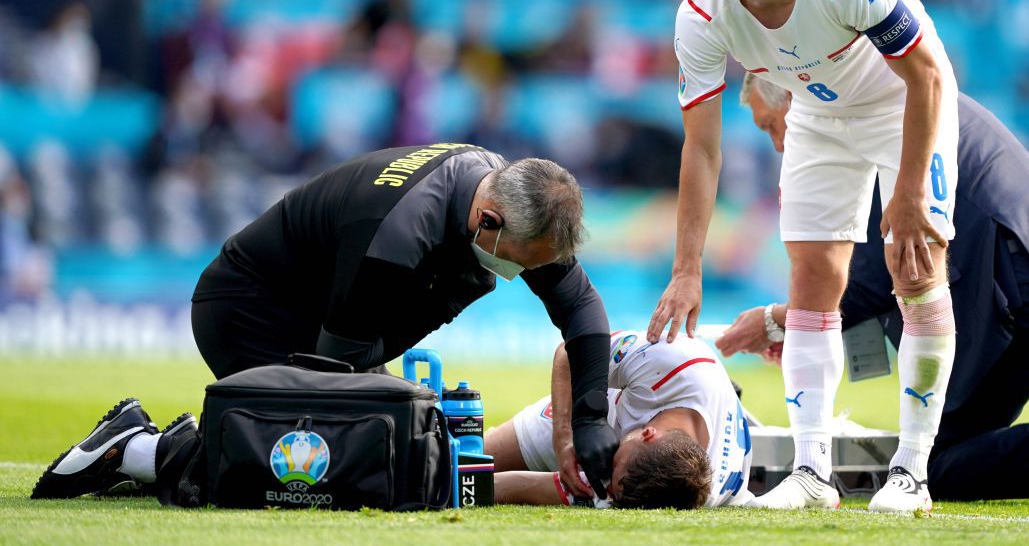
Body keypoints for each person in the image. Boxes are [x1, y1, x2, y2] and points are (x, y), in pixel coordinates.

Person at [32, 143, 619, 503]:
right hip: (250, 311)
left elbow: (581, 310)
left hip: (333, 319)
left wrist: (589, 419)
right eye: (520, 264)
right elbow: (334, 375)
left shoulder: (512, 201)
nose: (522, 275)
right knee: (317, 470)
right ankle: (136, 447)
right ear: (487, 223)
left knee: (370, 454)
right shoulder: (394, 236)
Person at [648, 0, 960, 513]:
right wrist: (686, 268)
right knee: (813, 279)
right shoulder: (701, 15)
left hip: (903, 104)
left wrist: (904, 194)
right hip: (815, 113)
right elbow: (703, 149)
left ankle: (912, 472)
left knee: (917, 270)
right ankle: (813, 474)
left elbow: (927, 76)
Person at [720, 74, 1029, 506]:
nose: (778, 144)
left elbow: (869, 286)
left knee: (925, 464)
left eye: (772, 127)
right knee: (945, 445)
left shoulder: (867, 121)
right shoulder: (903, 90)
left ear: (797, 102)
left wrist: (776, 321)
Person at [485, 329, 753, 509]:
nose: (601, 477)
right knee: (469, 457)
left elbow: (513, 487)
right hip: (577, 418)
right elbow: (570, 351)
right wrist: (564, 436)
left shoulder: (686, 492)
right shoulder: (671, 361)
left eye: (610, 487)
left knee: (463, 482)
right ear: (648, 433)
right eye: (613, 465)